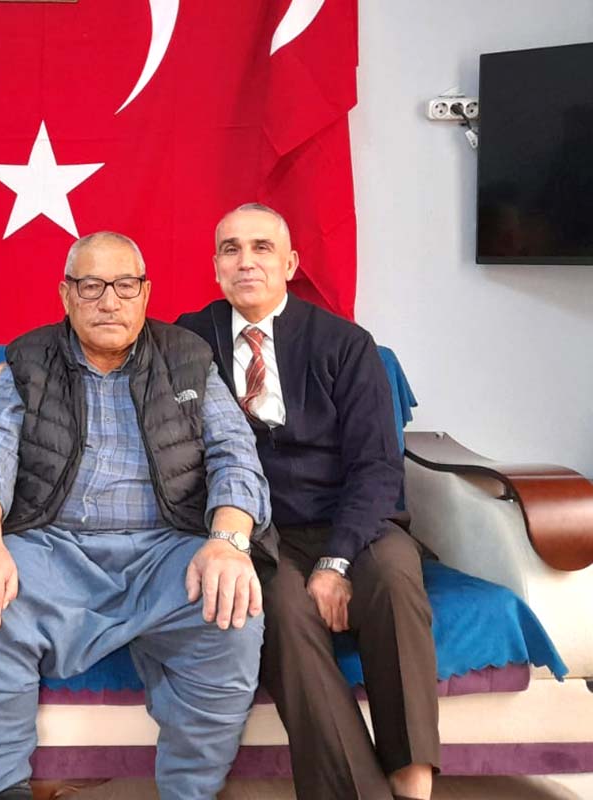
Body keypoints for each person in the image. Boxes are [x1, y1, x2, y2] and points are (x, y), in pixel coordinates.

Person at [0, 231, 271, 800]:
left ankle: (191, 792)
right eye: (91, 286)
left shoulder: (188, 358)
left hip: (167, 549)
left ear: (146, 293)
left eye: (124, 285)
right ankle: (3, 788)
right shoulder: (29, 358)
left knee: (232, 610)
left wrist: (227, 541)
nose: (109, 301)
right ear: (66, 295)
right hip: (54, 547)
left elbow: (234, 453)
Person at [176, 203, 439, 800]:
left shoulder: (344, 343)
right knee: (282, 616)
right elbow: (105, 344)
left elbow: (377, 465)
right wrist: (11, 372)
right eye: (231, 249)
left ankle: (412, 780)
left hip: (353, 520)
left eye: (262, 248)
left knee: (395, 581)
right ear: (215, 267)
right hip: (255, 534)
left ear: (291, 263)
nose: (246, 262)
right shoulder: (187, 340)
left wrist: (336, 561)